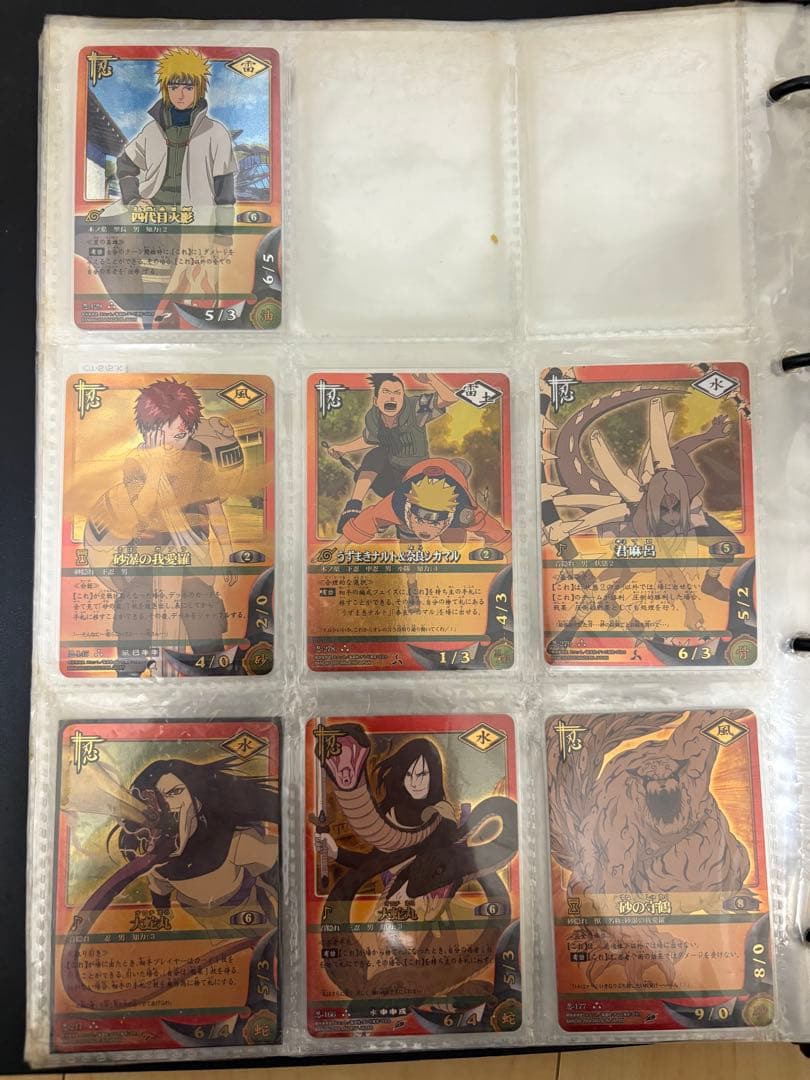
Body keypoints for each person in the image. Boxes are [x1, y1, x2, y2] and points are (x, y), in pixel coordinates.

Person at [82, 48, 237, 327]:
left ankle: (179, 333)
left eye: (188, 86)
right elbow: (126, 164)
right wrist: (133, 198)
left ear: (199, 89)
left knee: (191, 290)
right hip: (152, 218)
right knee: (138, 277)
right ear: (165, 89)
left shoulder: (216, 133)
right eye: (174, 86)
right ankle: (144, 322)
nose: (180, 94)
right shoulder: (151, 132)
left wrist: (223, 235)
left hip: (193, 223)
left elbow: (225, 190)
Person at [97, 378, 237, 671]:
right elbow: (141, 511)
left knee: (202, 610)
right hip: (147, 557)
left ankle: (214, 674)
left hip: (193, 556)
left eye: (181, 435)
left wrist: (227, 555)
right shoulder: (136, 460)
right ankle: (130, 673)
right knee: (135, 606)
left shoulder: (198, 457)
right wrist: (156, 468)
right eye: (163, 435)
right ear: (148, 431)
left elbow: (215, 509)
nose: (172, 443)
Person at [121, 757, 279, 926]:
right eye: (155, 799)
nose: (165, 806)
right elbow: (159, 890)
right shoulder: (156, 861)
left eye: (174, 792)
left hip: (246, 908)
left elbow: (276, 864)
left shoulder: (234, 842)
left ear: (196, 802)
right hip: (198, 918)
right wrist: (162, 918)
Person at [327, 373, 458, 534]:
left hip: (415, 479)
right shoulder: (374, 418)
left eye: (397, 393)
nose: (392, 397)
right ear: (376, 401)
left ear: (403, 398)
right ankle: (353, 508)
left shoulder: (416, 408)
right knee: (377, 454)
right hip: (389, 478)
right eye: (386, 392)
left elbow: (450, 398)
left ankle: (389, 515)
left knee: (408, 520)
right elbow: (369, 439)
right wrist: (343, 448)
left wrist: (430, 379)